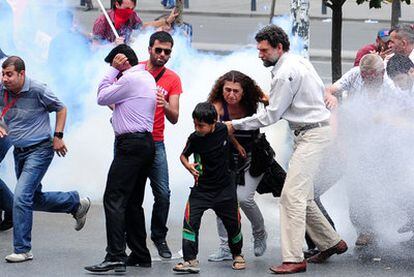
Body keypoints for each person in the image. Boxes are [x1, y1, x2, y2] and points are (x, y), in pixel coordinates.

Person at [225, 25, 348, 274]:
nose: (260, 54)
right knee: (301, 194)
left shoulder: (284, 73)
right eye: (259, 49)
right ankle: (332, 242)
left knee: (290, 196)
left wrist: (233, 124)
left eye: (264, 50)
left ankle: (293, 259)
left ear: (278, 47)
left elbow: (270, 117)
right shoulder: (296, 61)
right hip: (312, 132)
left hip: (313, 135)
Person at [0, 56, 90, 263]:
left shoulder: (38, 89)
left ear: (22, 74)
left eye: (9, 74)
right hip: (19, 150)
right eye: (3, 74)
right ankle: (74, 203)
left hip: (40, 149)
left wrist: (58, 137)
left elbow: (61, 108)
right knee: (33, 199)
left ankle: (23, 249)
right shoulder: (2, 89)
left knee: (21, 197)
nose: (5, 78)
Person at [85, 44, 156, 273]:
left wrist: (111, 72)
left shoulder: (130, 79)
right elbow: (119, 105)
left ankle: (115, 255)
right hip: (144, 144)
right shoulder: (146, 78)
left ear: (122, 61)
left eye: (115, 65)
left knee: (113, 198)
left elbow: (102, 96)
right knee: (133, 201)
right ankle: (139, 254)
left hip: (131, 145)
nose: (114, 71)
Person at [173, 102, 245, 274]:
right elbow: (183, 155)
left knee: (233, 224)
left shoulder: (222, 129)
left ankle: (238, 255)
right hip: (201, 190)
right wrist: (188, 166)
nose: (197, 128)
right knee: (190, 223)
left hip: (225, 189)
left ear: (214, 122)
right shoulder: (195, 138)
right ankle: (190, 260)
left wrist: (237, 146)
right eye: (195, 124)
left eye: (201, 125)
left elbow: (229, 134)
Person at [206, 70, 268, 261]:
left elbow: (274, 106)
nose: (231, 95)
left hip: (254, 159)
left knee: (243, 198)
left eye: (236, 91)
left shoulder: (252, 101)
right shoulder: (216, 106)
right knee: (222, 202)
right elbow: (219, 129)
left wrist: (267, 100)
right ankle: (225, 247)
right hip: (227, 161)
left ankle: (260, 234)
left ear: (244, 92)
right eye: (227, 90)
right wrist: (236, 144)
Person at [136, 31, 182, 260]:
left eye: (167, 52)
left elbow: (175, 117)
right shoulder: (135, 70)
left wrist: (164, 104)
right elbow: (110, 97)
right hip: (133, 141)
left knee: (163, 194)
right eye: (159, 50)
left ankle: (158, 236)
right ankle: (132, 240)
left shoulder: (172, 79)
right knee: (131, 194)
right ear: (149, 49)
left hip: (156, 142)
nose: (163, 55)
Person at [92, 0, 178, 45]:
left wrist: (166, 22)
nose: (130, 12)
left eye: (132, 9)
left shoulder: (132, 15)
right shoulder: (102, 21)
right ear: (117, 4)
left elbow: (143, 27)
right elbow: (95, 48)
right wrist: (112, 45)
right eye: (127, 9)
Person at [325, 53, 393, 109]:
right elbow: (328, 90)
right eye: (363, 76)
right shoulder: (355, 73)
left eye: (371, 77)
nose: (367, 80)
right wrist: (331, 97)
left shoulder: (390, 85)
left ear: (382, 73)